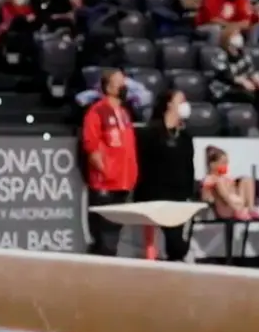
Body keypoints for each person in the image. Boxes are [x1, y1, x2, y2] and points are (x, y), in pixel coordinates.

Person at [81, 69, 139, 256]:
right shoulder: (97, 111)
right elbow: (91, 146)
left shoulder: (124, 113)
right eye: (119, 82)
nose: (124, 86)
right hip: (105, 184)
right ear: (108, 87)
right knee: (104, 237)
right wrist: (106, 172)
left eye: (124, 82)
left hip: (123, 183)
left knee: (114, 235)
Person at [134, 90, 196, 262]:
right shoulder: (150, 133)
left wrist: (189, 193)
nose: (185, 105)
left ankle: (173, 262)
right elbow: (143, 164)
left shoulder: (185, 137)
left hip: (178, 195)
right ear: (169, 104)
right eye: (181, 101)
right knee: (153, 240)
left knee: (176, 245)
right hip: (155, 194)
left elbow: (189, 167)